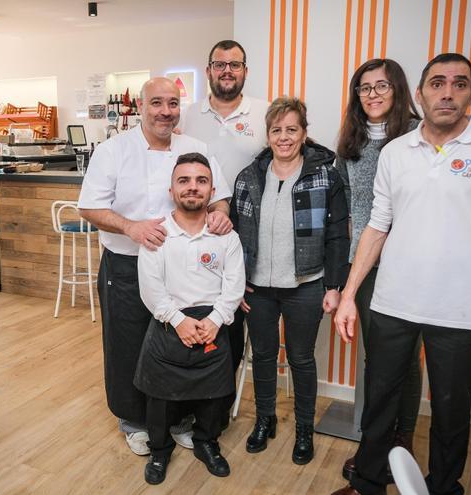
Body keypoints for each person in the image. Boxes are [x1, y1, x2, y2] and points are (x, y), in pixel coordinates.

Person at [331, 53, 471, 495]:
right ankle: (367, 482)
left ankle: (443, 487)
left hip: (459, 310)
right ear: (420, 95)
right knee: (380, 402)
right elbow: (376, 225)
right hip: (392, 300)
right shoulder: (396, 152)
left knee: (450, 411)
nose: (447, 92)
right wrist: (348, 295)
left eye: (459, 84)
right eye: (437, 83)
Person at [78, 77, 233, 456]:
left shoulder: (194, 147)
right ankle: (134, 421)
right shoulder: (113, 150)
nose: (166, 111)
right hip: (127, 266)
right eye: (157, 103)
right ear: (141, 107)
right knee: (128, 344)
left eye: (173, 103)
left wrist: (221, 217)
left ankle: (179, 418)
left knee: (179, 343)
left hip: (185, 267)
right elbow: (88, 206)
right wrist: (131, 226)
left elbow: (221, 197)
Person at [231, 96, 349, 464]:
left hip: (306, 286)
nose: (284, 137)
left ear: (304, 133)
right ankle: (265, 421)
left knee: (301, 359)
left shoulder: (325, 174)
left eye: (291, 129)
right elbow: (232, 236)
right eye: (276, 130)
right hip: (259, 289)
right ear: (268, 134)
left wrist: (333, 286)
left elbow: (337, 235)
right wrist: (236, 284)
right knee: (263, 356)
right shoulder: (249, 177)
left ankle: (303, 431)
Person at [134, 152, 245, 484]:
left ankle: (206, 443)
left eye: (201, 181)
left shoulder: (227, 236)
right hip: (169, 321)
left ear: (212, 191)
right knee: (158, 397)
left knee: (215, 395)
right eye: (184, 181)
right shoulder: (157, 234)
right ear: (172, 190)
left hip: (214, 321)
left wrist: (216, 320)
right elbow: (150, 287)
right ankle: (159, 450)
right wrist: (178, 321)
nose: (192, 188)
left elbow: (234, 284)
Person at [179, 39, 269, 409]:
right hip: (191, 237)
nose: (227, 70)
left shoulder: (264, 114)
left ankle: (217, 405)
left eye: (235, 64)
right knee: (187, 314)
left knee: (229, 320)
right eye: (220, 64)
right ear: (209, 71)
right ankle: (184, 401)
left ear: (245, 71)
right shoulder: (187, 116)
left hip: (242, 239)